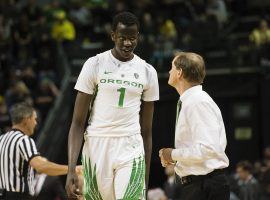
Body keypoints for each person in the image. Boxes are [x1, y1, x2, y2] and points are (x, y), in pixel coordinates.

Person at [65, 11, 159, 200]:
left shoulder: (148, 71)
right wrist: (70, 170)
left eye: (132, 38)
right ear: (113, 36)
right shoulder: (95, 64)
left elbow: (147, 131)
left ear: (138, 37)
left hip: (130, 144)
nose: (127, 43)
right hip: (97, 144)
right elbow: (77, 123)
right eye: (122, 38)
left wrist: (145, 178)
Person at [159, 52, 229, 200]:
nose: (169, 71)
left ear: (179, 73)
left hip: (205, 186)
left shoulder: (198, 102)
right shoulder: (193, 101)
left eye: (171, 67)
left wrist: (172, 154)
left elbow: (208, 148)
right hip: (198, 184)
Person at [0, 102, 80, 200]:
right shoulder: (23, 140)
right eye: (34, 119)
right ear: (26, 120)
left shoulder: (1, 139)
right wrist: (72, 169)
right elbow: (41, 167)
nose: (36, 123)